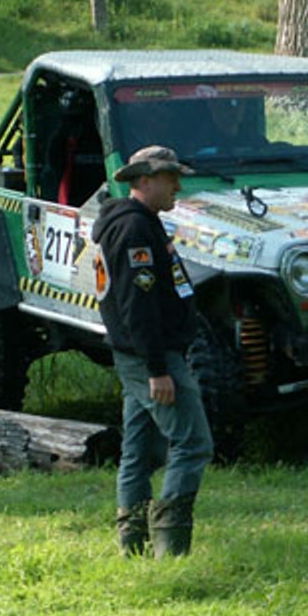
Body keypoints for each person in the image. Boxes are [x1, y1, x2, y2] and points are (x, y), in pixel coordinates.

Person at [91, 145, 214, 557]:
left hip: (143, 356)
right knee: (193, 442)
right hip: (151, 357)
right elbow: (136, 306)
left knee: (140, 449)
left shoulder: (143, 223)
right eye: (169, 177)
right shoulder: (134, 230)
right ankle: (170, 547)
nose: (178, 185)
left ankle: (133, 545)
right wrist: (157, 368)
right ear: (144, 180)